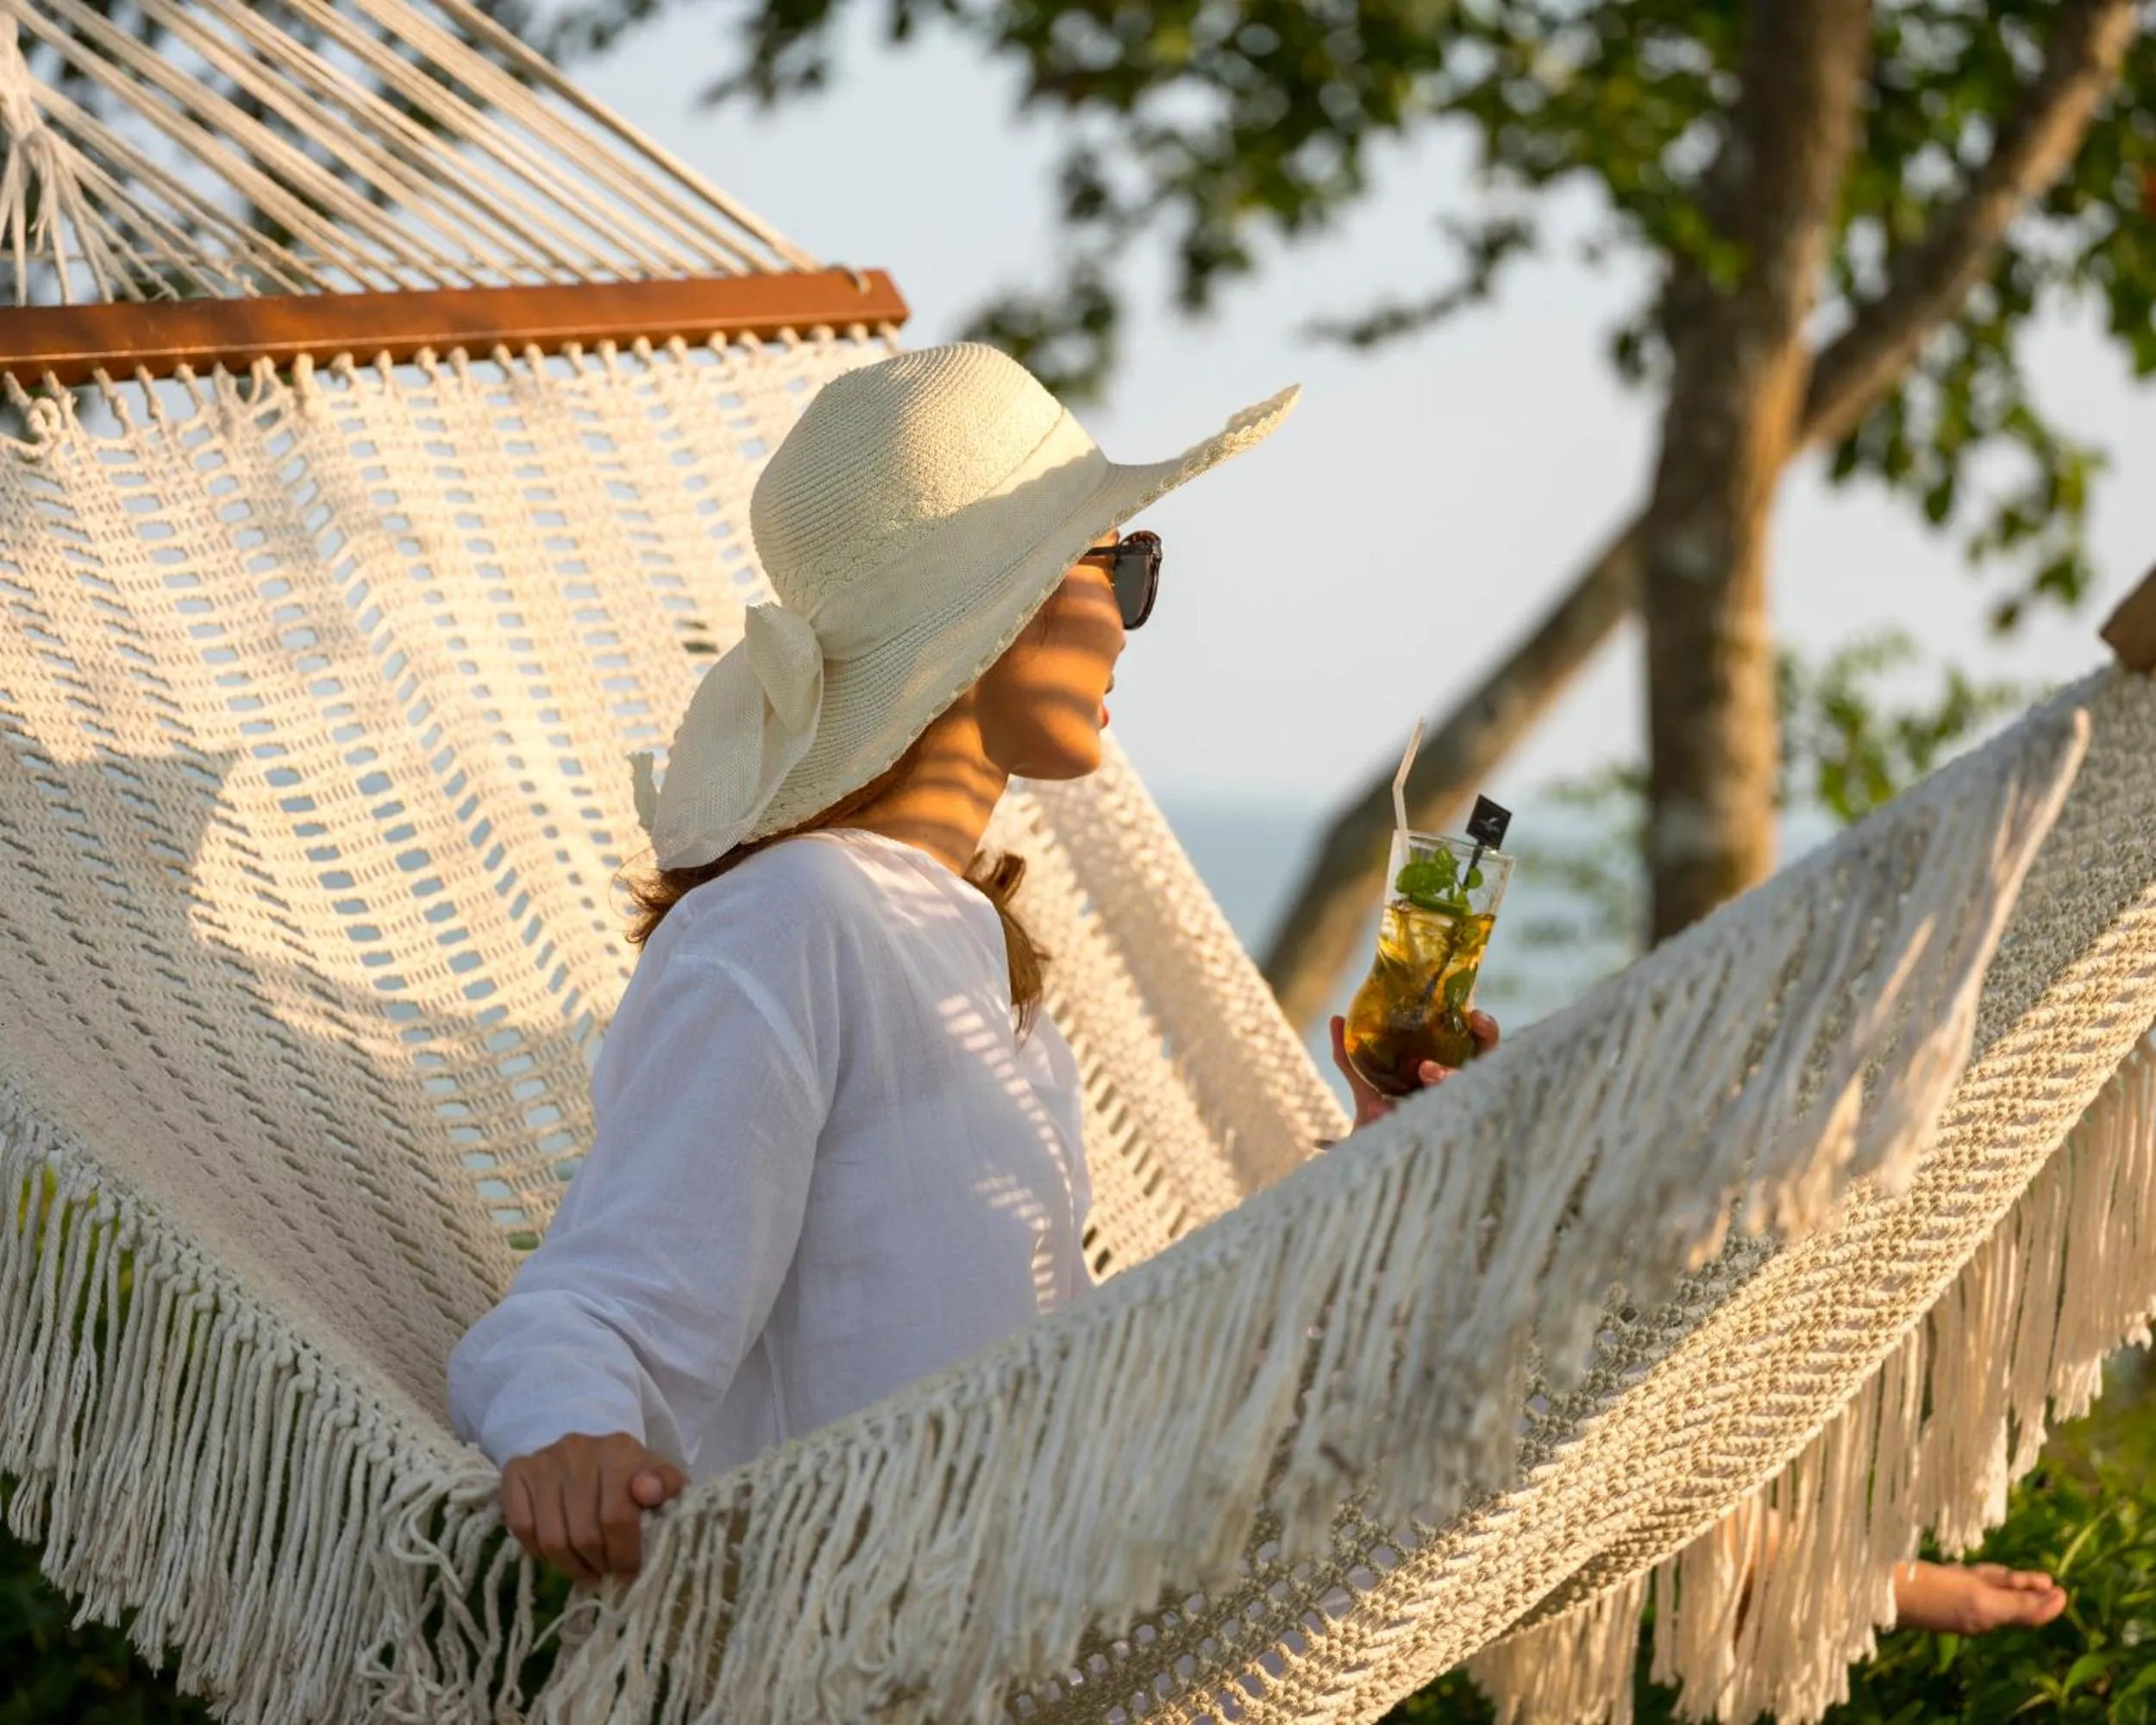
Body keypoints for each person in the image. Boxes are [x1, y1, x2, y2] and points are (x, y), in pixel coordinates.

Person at [445, 342, 2065, 1646]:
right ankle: (1777, 1567)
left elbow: (1032, 1344)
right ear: (1001, 611)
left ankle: (1757, 1552)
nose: (1133, 619)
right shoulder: (792, 919)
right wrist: (569, 1434)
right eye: (1122, 566)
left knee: (1458, 1246)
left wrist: (1366, 1164)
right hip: (898, 1618)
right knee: (1494, 1274)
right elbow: (595, 1302)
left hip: (1038, 1566)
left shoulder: (952, 936)